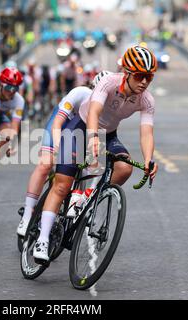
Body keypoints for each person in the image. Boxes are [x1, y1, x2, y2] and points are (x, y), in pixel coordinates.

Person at [32, 46, 159, 261]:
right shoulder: (108, 82)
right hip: (81, 127)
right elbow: (93, 112)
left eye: (149, 77)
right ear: (127, 73)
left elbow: (146, 133)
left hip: (108, 133)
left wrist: (149, 160)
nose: (144, 82)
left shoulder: (146, 100)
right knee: (62, 184)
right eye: (140, 76)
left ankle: (88, 198)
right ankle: (42, 238)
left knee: (124, 167)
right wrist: (91, 138)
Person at [17, 71, 111, 237]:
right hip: (60, 123)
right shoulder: (80, 93)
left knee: (90, 166)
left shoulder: (108, 109)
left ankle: (76, 203)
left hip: (80, 132)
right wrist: (58, 147)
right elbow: (58, 123)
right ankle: (27, 214)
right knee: (45, 164)